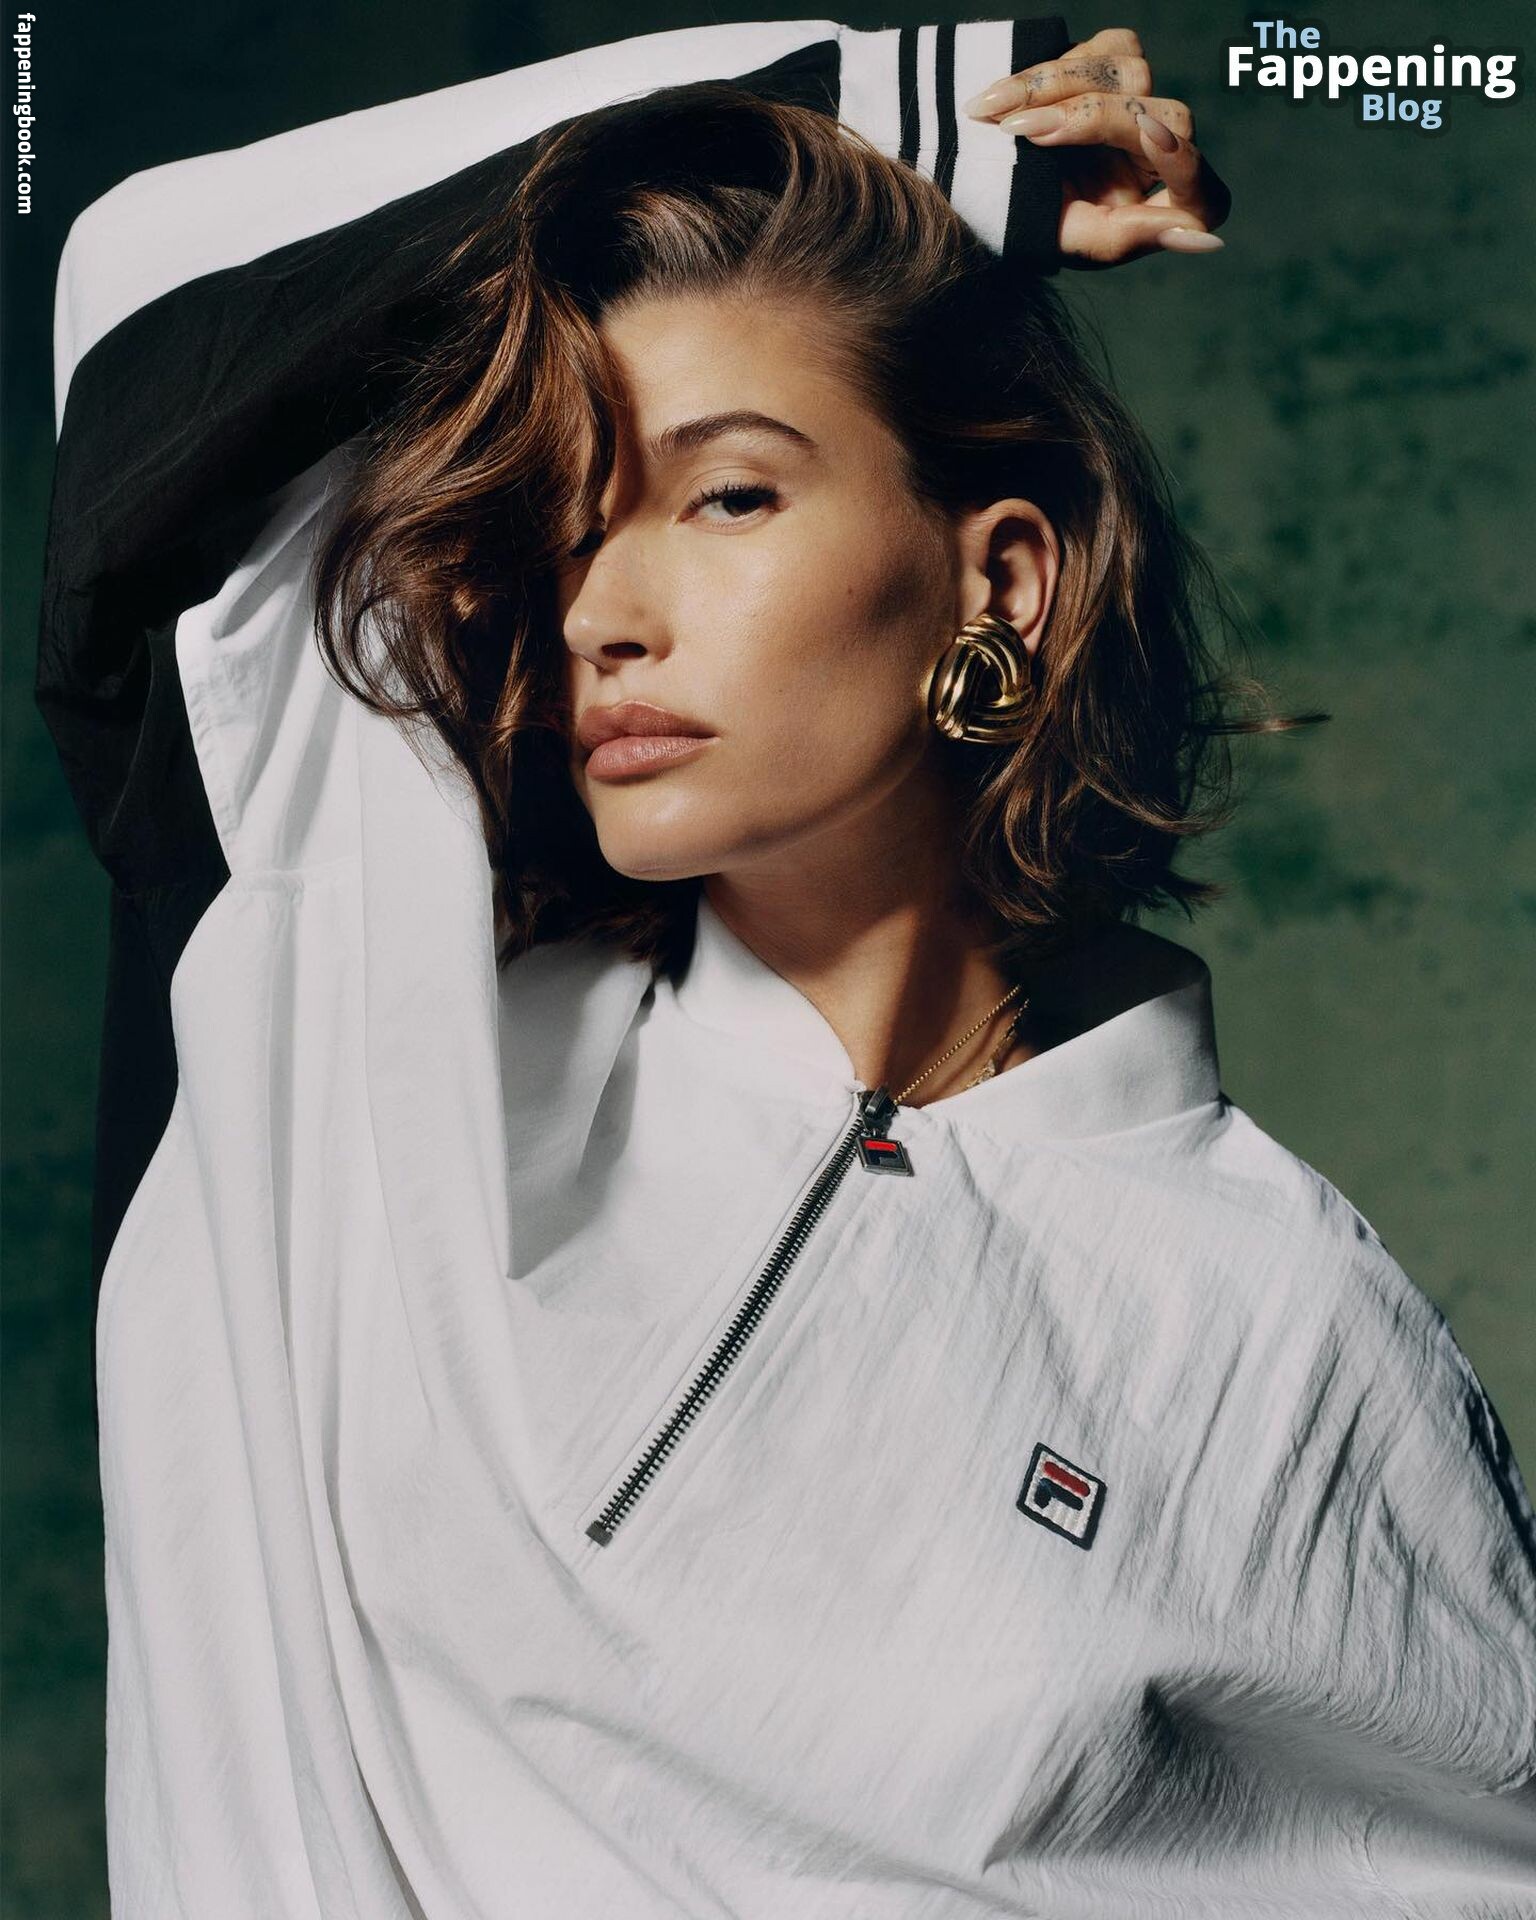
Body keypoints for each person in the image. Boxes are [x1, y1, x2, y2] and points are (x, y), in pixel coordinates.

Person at [36, 16, 1535, 1919]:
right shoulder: (357, 1040)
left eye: (727, 496)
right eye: (568, 522)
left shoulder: (1273, 1311)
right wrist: (910, 118)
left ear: (999, 582)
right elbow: (140, 284)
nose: (604, 609)